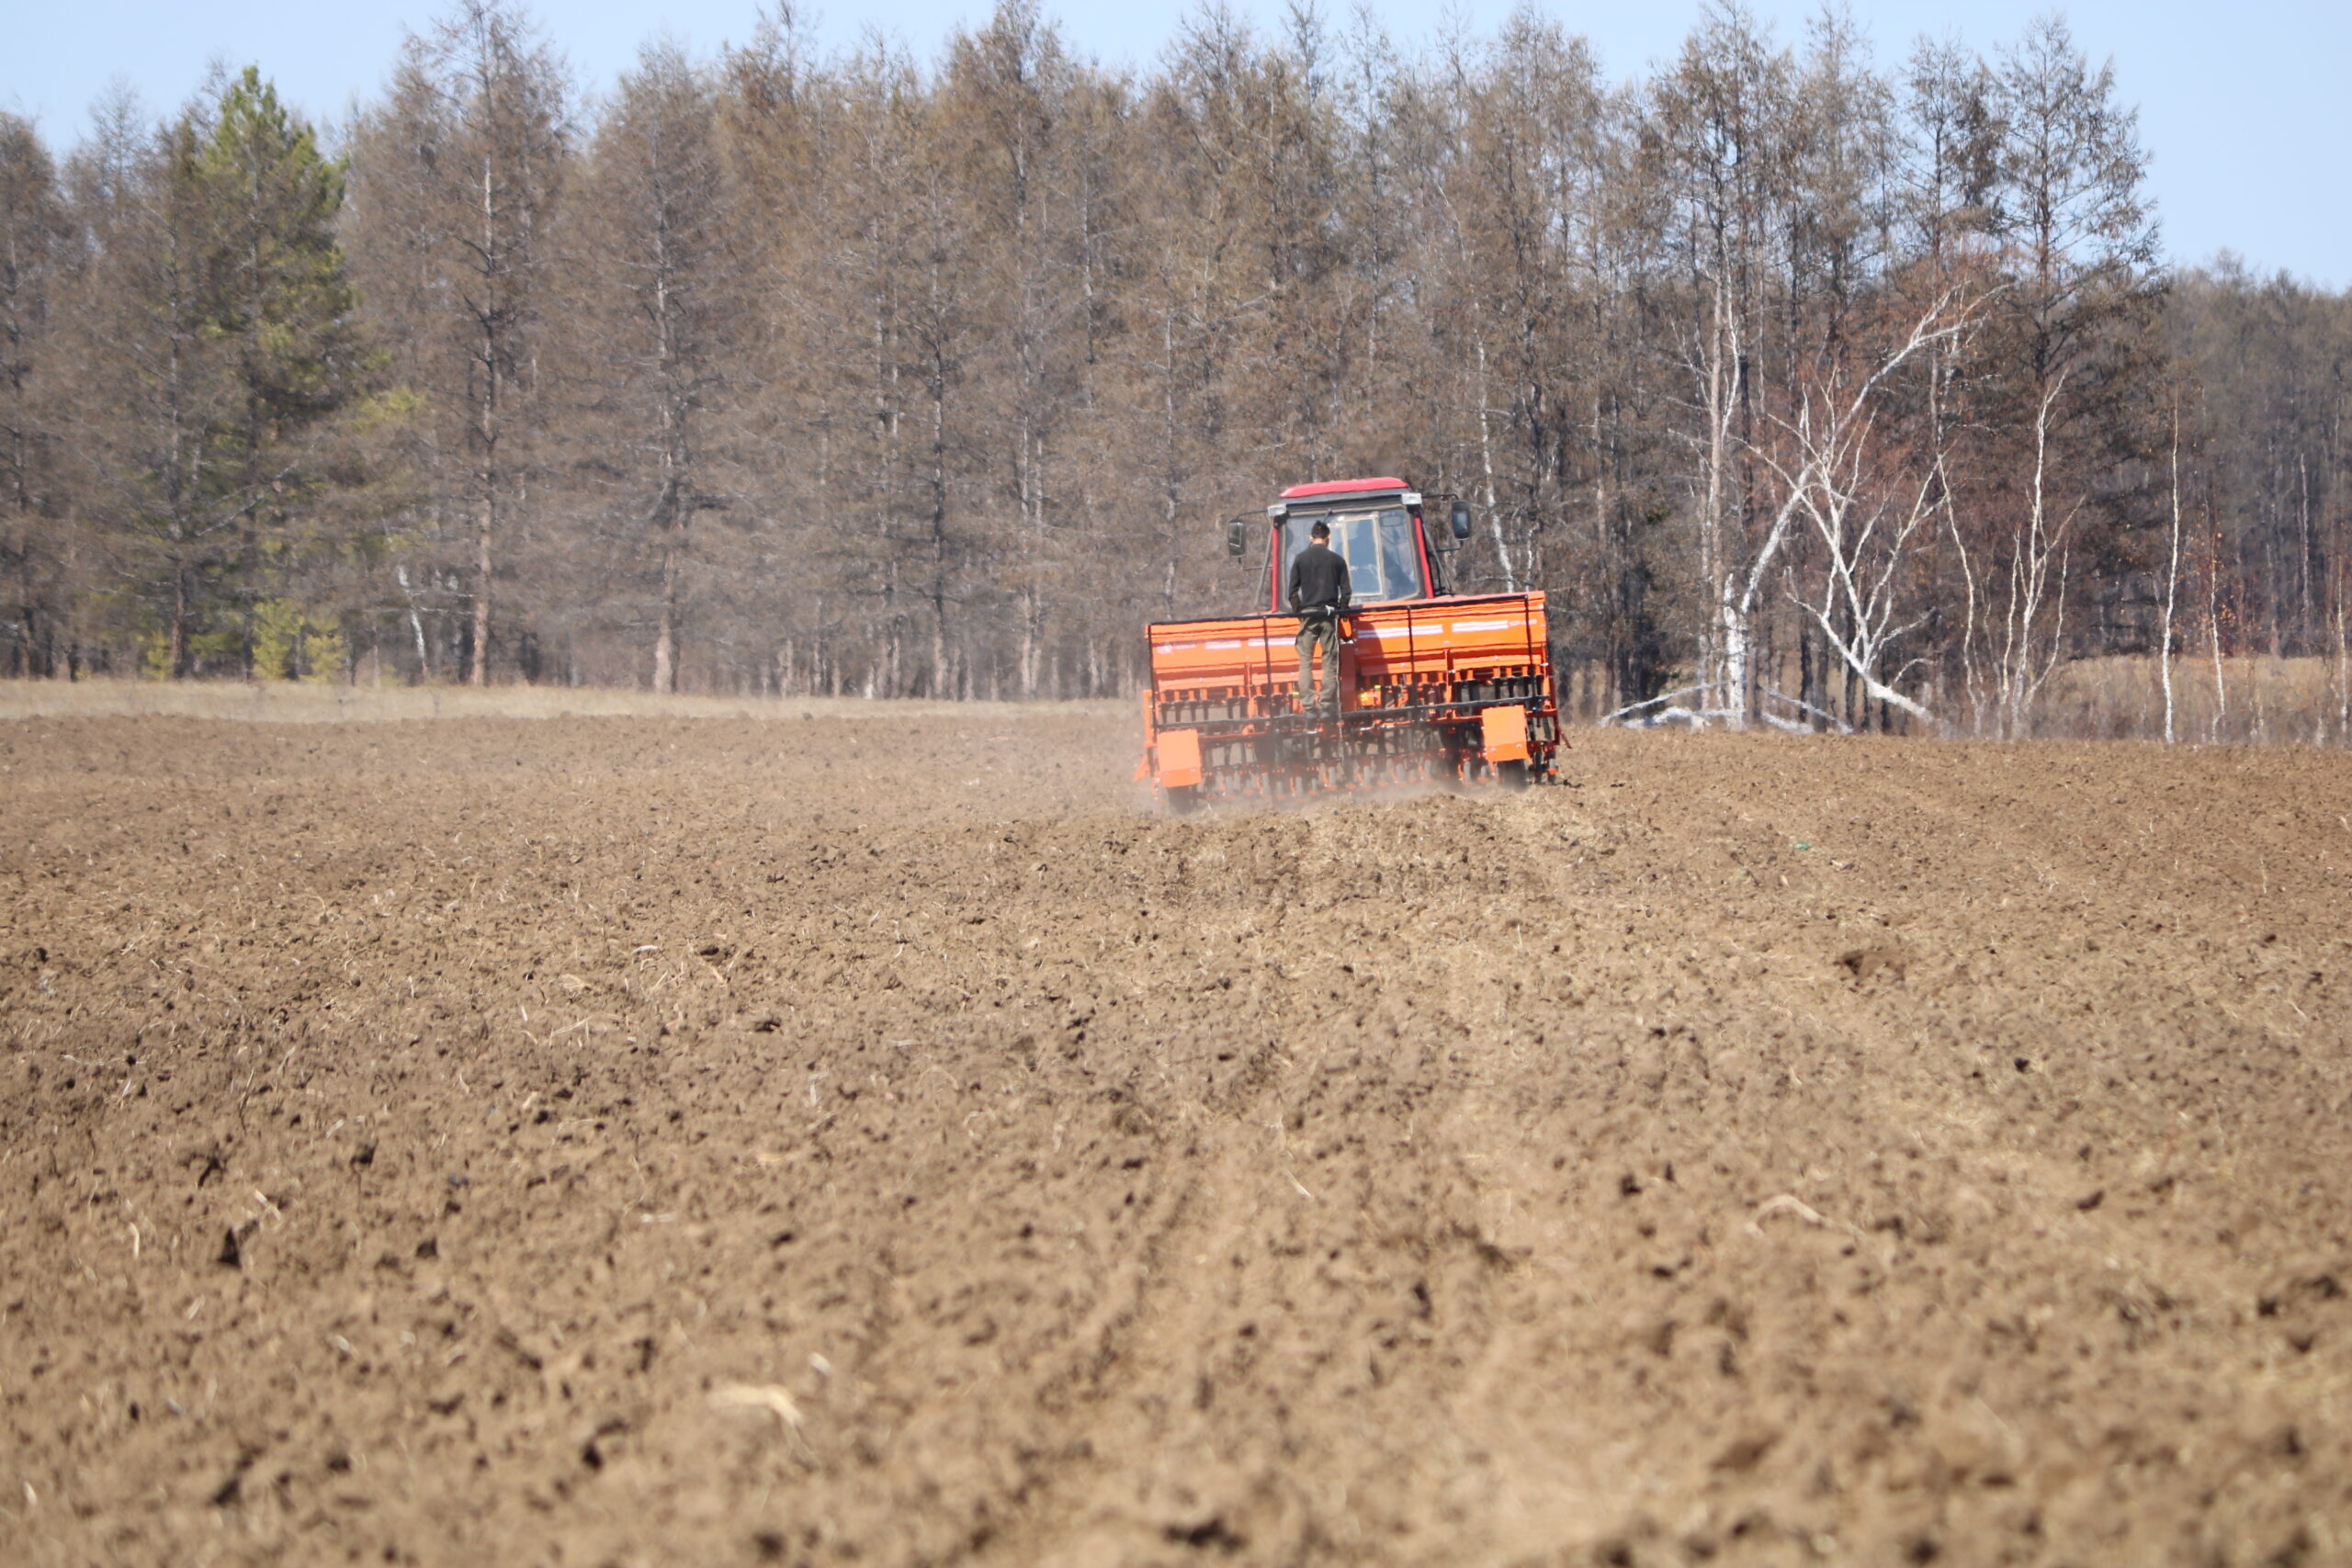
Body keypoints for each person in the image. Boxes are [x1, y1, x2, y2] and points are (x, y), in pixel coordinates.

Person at [1286, 519, 1351, 715]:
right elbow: (1346, 591)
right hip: (1329, 614)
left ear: (1310, 537)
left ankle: (1308, 705)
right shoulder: (1337, 560)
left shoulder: (1300, 559)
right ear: (1328, 537)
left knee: (1305, 662)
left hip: (1308, 614)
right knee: (1329, 659)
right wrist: (1342, 610)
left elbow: (1292, 592)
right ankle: (1324, 704)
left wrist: (1300, 613)